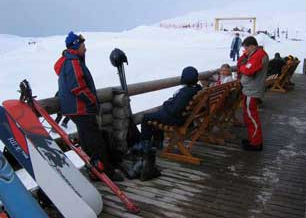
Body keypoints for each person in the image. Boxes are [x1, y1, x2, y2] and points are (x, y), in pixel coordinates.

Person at [54, 31, 123, 181]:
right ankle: (107, 173)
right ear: (76, 46)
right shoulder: (73, 62)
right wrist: (92, 100)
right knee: (95, 141)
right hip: (81, 108)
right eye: (83, 45)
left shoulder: (70, 60)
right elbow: (77, 86)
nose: (85, 48)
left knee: (87, 141)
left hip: (75, 109)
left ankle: (94, 169)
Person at [130, 67, 201, 180]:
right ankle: (157, 143)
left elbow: (173, 110)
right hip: (184, 118)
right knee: (157, 115)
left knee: (146, 118)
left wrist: (166, 104)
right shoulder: (197, 89)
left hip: (177, 119)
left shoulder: (185, 92)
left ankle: (145, 146)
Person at [237, 36, 269, 151]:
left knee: (252, 117)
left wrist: (242, 67)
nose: (245, 51)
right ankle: (252, 139)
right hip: (250, 90)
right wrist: (244, 61)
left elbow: (248, 70)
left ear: (252, 46)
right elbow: (244, 64)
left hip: (252, 90)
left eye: (246, 48)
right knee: (248, 116)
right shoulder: (255, 54)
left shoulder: (258, 55)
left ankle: (256, 143)